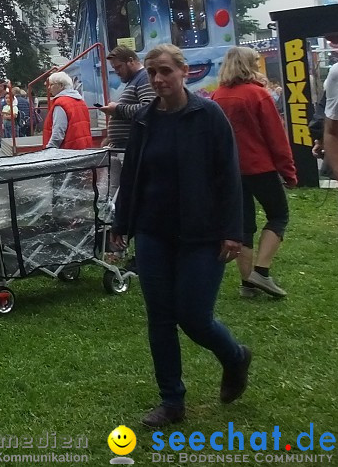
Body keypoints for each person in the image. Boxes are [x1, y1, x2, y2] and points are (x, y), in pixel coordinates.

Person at [112, 44, 250, 429]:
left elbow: (228, 176)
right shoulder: (144, 119)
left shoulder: (208, 115)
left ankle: (235, 357)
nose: (158, 80)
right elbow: (132, 174)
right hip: (153, 232)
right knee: (160, 317)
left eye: (166, 72)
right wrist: (122, 224)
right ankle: (171, 401)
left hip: (202, 234)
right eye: (153, 72)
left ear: (184, 72)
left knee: (194, 317)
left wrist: (232, 231)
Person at [211, 47, 297, 299]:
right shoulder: (258, 95)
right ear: (250, 64)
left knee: (244, 224)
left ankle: (247, 283)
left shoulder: (217, 96)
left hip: (230, 171)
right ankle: (261, 271)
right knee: (279, 215)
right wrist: (288, 171)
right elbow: (276, 137)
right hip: (260, 167)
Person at [100, 46, 155, 150]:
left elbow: (148, 108)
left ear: (131, 61)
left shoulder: (144, 78)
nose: (116, 72)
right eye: (114, 68)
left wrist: (117, 109)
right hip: (128, 147)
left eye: (119, 67)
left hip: (136, 147)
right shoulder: (135, 80)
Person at [41, 72, 91, 149]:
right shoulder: (80, 101)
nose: (49, 88)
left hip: (67, 151)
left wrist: (49, 149)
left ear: (61, 85)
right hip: (83, 148)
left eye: (51, 85)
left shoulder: (60, 104)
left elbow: (58, 132)